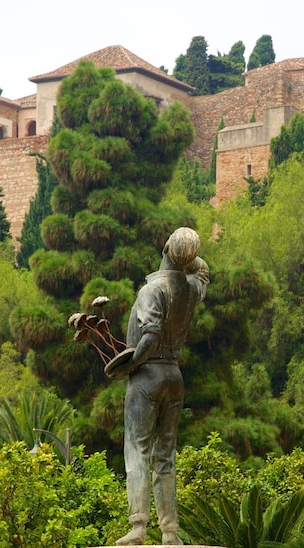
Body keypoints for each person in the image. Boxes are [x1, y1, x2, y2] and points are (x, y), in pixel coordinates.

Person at [114, 227, 209, 546]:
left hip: (148, 376)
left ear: (166, 246)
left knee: (138, 449)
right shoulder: (193, 288)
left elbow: (150, 337)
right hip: (174, 376)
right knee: (165, 455)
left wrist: (130, 364)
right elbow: (203, 270)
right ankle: (170, 532)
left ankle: (138, 526)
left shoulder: (152, 290)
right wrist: (189, 260)